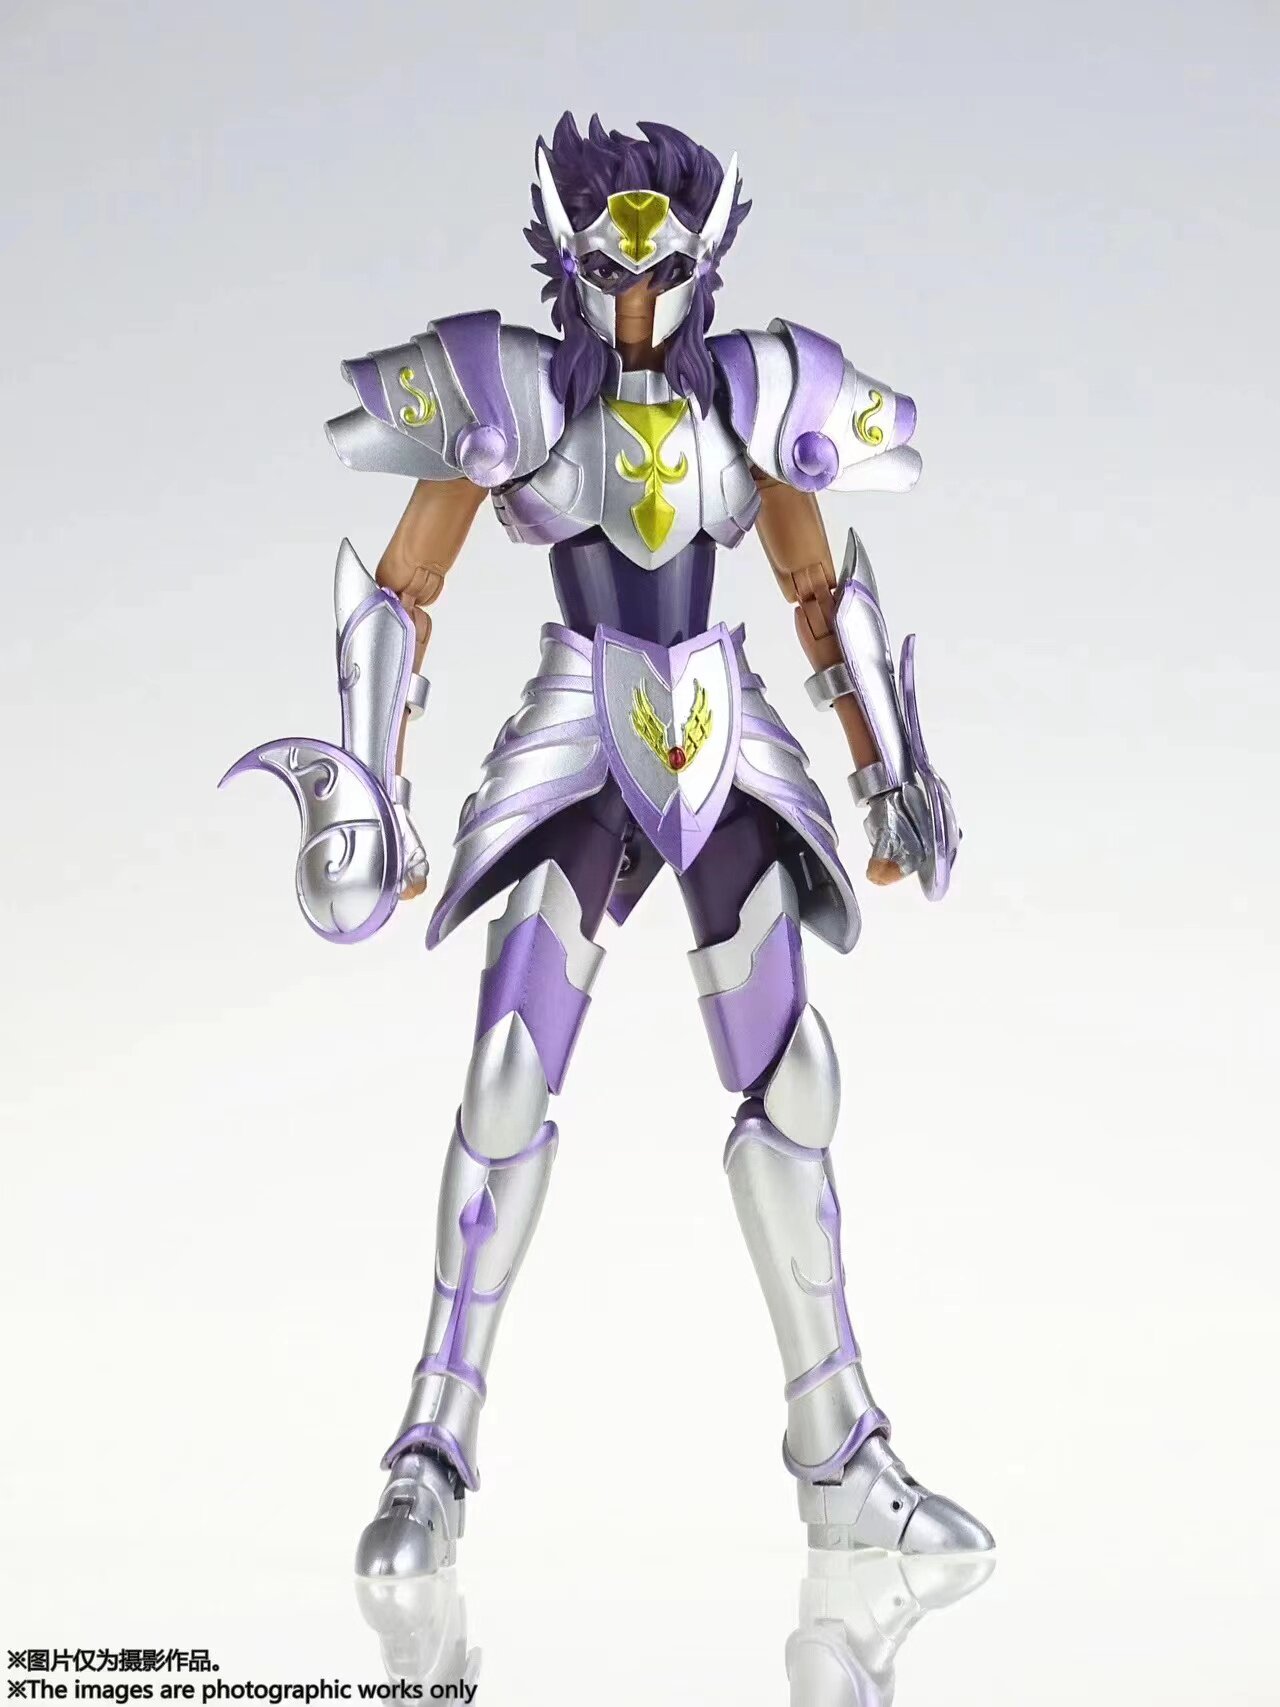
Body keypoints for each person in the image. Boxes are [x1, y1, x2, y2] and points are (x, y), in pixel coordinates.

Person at [225, 112, 992, 1577]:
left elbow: (820, 595)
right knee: (507, 1076)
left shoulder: (758, 396)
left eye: (662, 273)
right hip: (579, 729)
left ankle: (844, 1458)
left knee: (797, 1077)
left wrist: (889, 769)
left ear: (706, 264)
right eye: (609, 272)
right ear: (565, 260)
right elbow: (403, 588)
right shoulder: (508, 391)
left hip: (722, 729)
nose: (635, 303)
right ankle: (431, 1453)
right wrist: (372, 790)